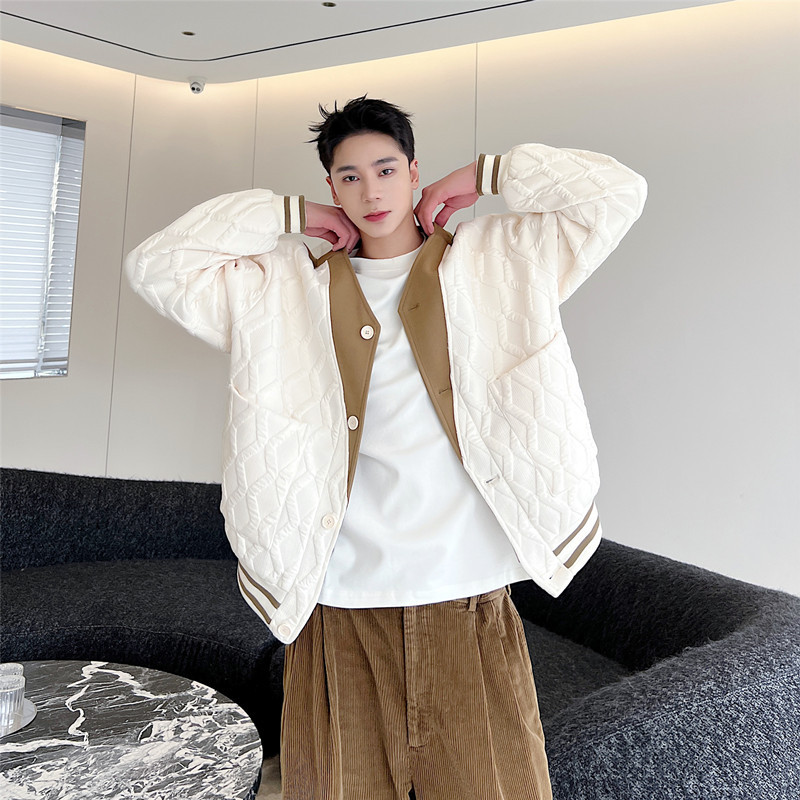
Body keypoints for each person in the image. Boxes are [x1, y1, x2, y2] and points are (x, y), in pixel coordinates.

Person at [125, 95, 647, 800]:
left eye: (386, 169)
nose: (371, 191)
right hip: (336, 601)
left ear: (414, 172)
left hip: (466, 596)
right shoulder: (280, 287)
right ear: (331, 187)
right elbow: (156, 266)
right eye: (349, 176)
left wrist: (486, 175)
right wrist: (289, 215)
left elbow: (616, 193)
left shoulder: (503, 259)